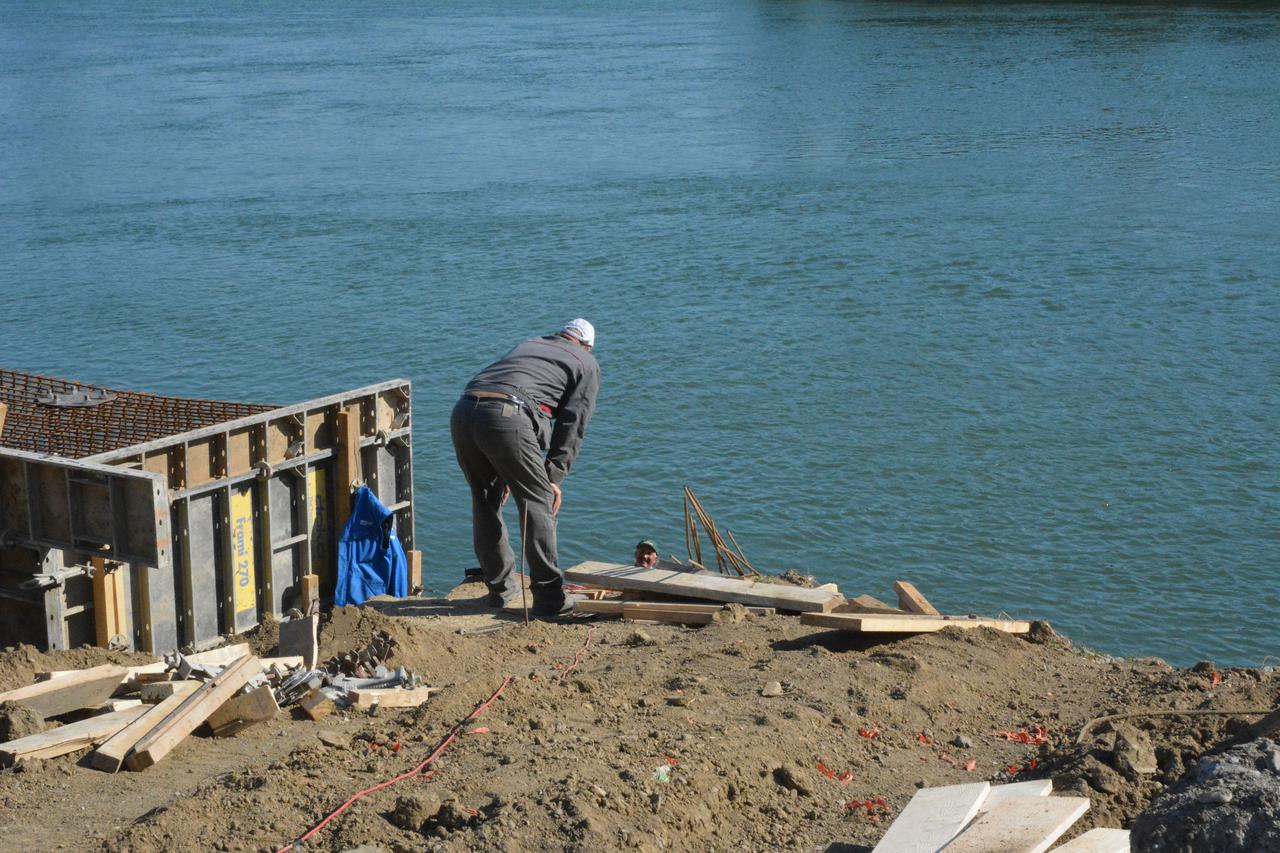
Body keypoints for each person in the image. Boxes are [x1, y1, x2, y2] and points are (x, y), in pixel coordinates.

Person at [450, 319, 600, 619]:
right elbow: (573, 424)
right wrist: (553, 476)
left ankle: (501, 591)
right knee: (537, 501)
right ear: (587, 346)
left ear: (562, 335)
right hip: (508, 414)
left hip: (465, 410)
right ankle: (549, 599)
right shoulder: (586, 362)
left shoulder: (532, 344)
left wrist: (507, 468)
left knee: (485, 500)